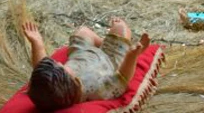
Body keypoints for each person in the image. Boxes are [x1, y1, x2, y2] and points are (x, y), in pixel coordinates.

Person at [22, 19, 150, 110]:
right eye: (61, 66)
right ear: (70, 81)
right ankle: (119, 47)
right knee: (121, 28)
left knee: (82, 31)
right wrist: (132, 56)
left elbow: (41, 66)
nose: (60, 62)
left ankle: (102, 43)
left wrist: (37, 42)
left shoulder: (54, 83)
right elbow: (123, 77)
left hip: (81, 53)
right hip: (110, 60)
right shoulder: (98, 92)